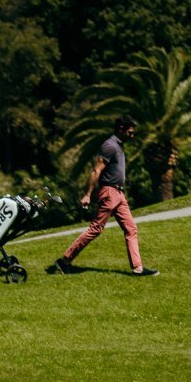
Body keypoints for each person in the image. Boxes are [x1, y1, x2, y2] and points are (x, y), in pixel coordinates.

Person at [50, 116, 159, 277]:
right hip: (109, 193)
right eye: (130, 132)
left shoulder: (119, 146)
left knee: (131, 228)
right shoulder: (110, 145)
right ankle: (64, 260)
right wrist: (87, 194)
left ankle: (138, 268)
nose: (132, 135)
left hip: (119, 194)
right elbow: (96, 171)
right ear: (121, 128)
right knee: (96, 229)